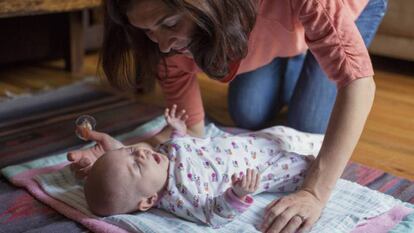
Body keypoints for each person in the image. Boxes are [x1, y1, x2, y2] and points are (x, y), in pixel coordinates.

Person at [71, 0, 388, 232]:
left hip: (349, 8)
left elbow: (358, 84)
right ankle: (298, 45)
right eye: (148, 31)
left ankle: (310, 41)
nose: (164, 44)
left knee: (310, 123)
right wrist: (120, 157)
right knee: (247, 111)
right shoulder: (163, 44)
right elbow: (192, 134)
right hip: (265, 20)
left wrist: (314, 192)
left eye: (169, 24)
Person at [83, 106, 315, 229]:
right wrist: (237, 194)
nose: (141, 153)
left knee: (285, 134)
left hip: (248, 143)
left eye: (131, 151)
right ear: (148, 200)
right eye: (136, 166)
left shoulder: (160, 158)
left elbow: (181, 147)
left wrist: (178, 132)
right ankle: (314, 165)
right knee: (307, 166)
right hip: (260, 167)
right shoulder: (182, 196)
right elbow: (213, 214)